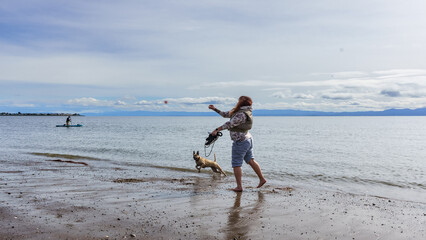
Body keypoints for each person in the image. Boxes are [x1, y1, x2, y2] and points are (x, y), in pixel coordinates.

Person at [209, 96, 266, 192]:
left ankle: (239, 187)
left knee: (236, 164)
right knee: (250, 160)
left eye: (239, 101)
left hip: (241, 141)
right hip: (247, 139)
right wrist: (215, 109)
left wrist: (216, 130)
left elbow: (229, 124)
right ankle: (262, 179)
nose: (237, 102)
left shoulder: (241, 114)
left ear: (241, 103)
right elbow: (225, 114)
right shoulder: (241, 111)